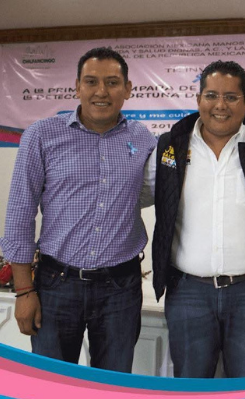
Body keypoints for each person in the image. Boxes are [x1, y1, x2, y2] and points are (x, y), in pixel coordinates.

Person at [0, 47, 156, 372]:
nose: (101, 91)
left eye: (112, 82)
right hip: (57, 285)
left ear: (127, 89)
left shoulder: (143, 138)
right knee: (52, 387)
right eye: (91, 81)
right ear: (77, 87)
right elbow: (20, 213)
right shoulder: (42, 135)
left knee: (113, 386)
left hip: (120, 289)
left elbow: (146, 194)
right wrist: (24, 290)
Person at [146, 60, 245, 378]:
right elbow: (139, 196)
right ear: (198, 100)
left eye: (231, 97)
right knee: (191, 390)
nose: (220, 105)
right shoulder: (170, 147)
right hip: (188, 293)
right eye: (211, 95)